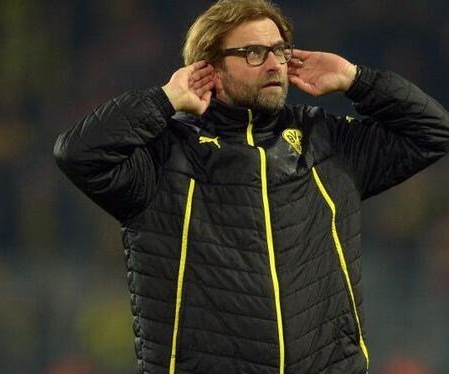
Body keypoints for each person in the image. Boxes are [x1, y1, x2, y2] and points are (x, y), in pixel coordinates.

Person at [53, 0, 449, 373]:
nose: (274, 64)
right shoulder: (165, 157)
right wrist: (165, 99)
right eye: (254, 53)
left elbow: (433, 133)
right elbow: (78, 153)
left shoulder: (325, 142)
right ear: (209, 69)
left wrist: (356, 80)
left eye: (279, 50)